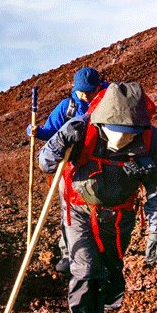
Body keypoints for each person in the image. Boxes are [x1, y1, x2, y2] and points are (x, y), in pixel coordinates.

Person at [38, 82, 157, 313]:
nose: (122, 141)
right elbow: (46, 162)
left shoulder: (153, 140)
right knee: (85, 269)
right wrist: (58, 145)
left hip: (119, 216)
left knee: (111, 269)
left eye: (129, 136)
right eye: (117, 133)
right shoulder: (80, 128)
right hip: (80, 211)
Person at [27, 67, 106, 273]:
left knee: (101, 209)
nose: (86, 96)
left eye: (90, 91)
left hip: (100, 167)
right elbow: (51, 131)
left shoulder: (108, 102)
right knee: (69, 212)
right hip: (70, 168)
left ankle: (100, 251)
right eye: (82, 91)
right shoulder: (68, 107)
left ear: (98, 86)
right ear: (75, 88)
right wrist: (36, 131)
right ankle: (68, 253)